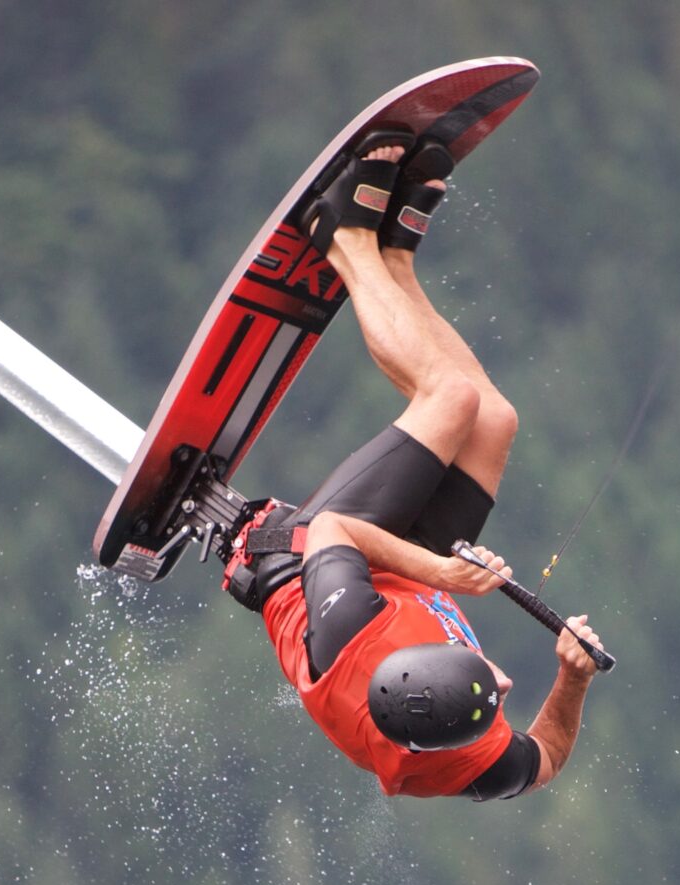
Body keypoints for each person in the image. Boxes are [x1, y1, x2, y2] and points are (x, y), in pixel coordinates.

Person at [219, 137, 604, 801]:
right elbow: (546, 756)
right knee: (494, 422)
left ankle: (341, 239)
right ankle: (395, 263)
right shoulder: (476, 757)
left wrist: (442, 574)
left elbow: (338, 530)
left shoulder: (352, 638)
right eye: (496, 696)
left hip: (309, 561)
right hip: (399, 583)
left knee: (449, 401)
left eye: (486, 679)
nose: (506, 684)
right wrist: (572, 680)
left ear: (427, 661)